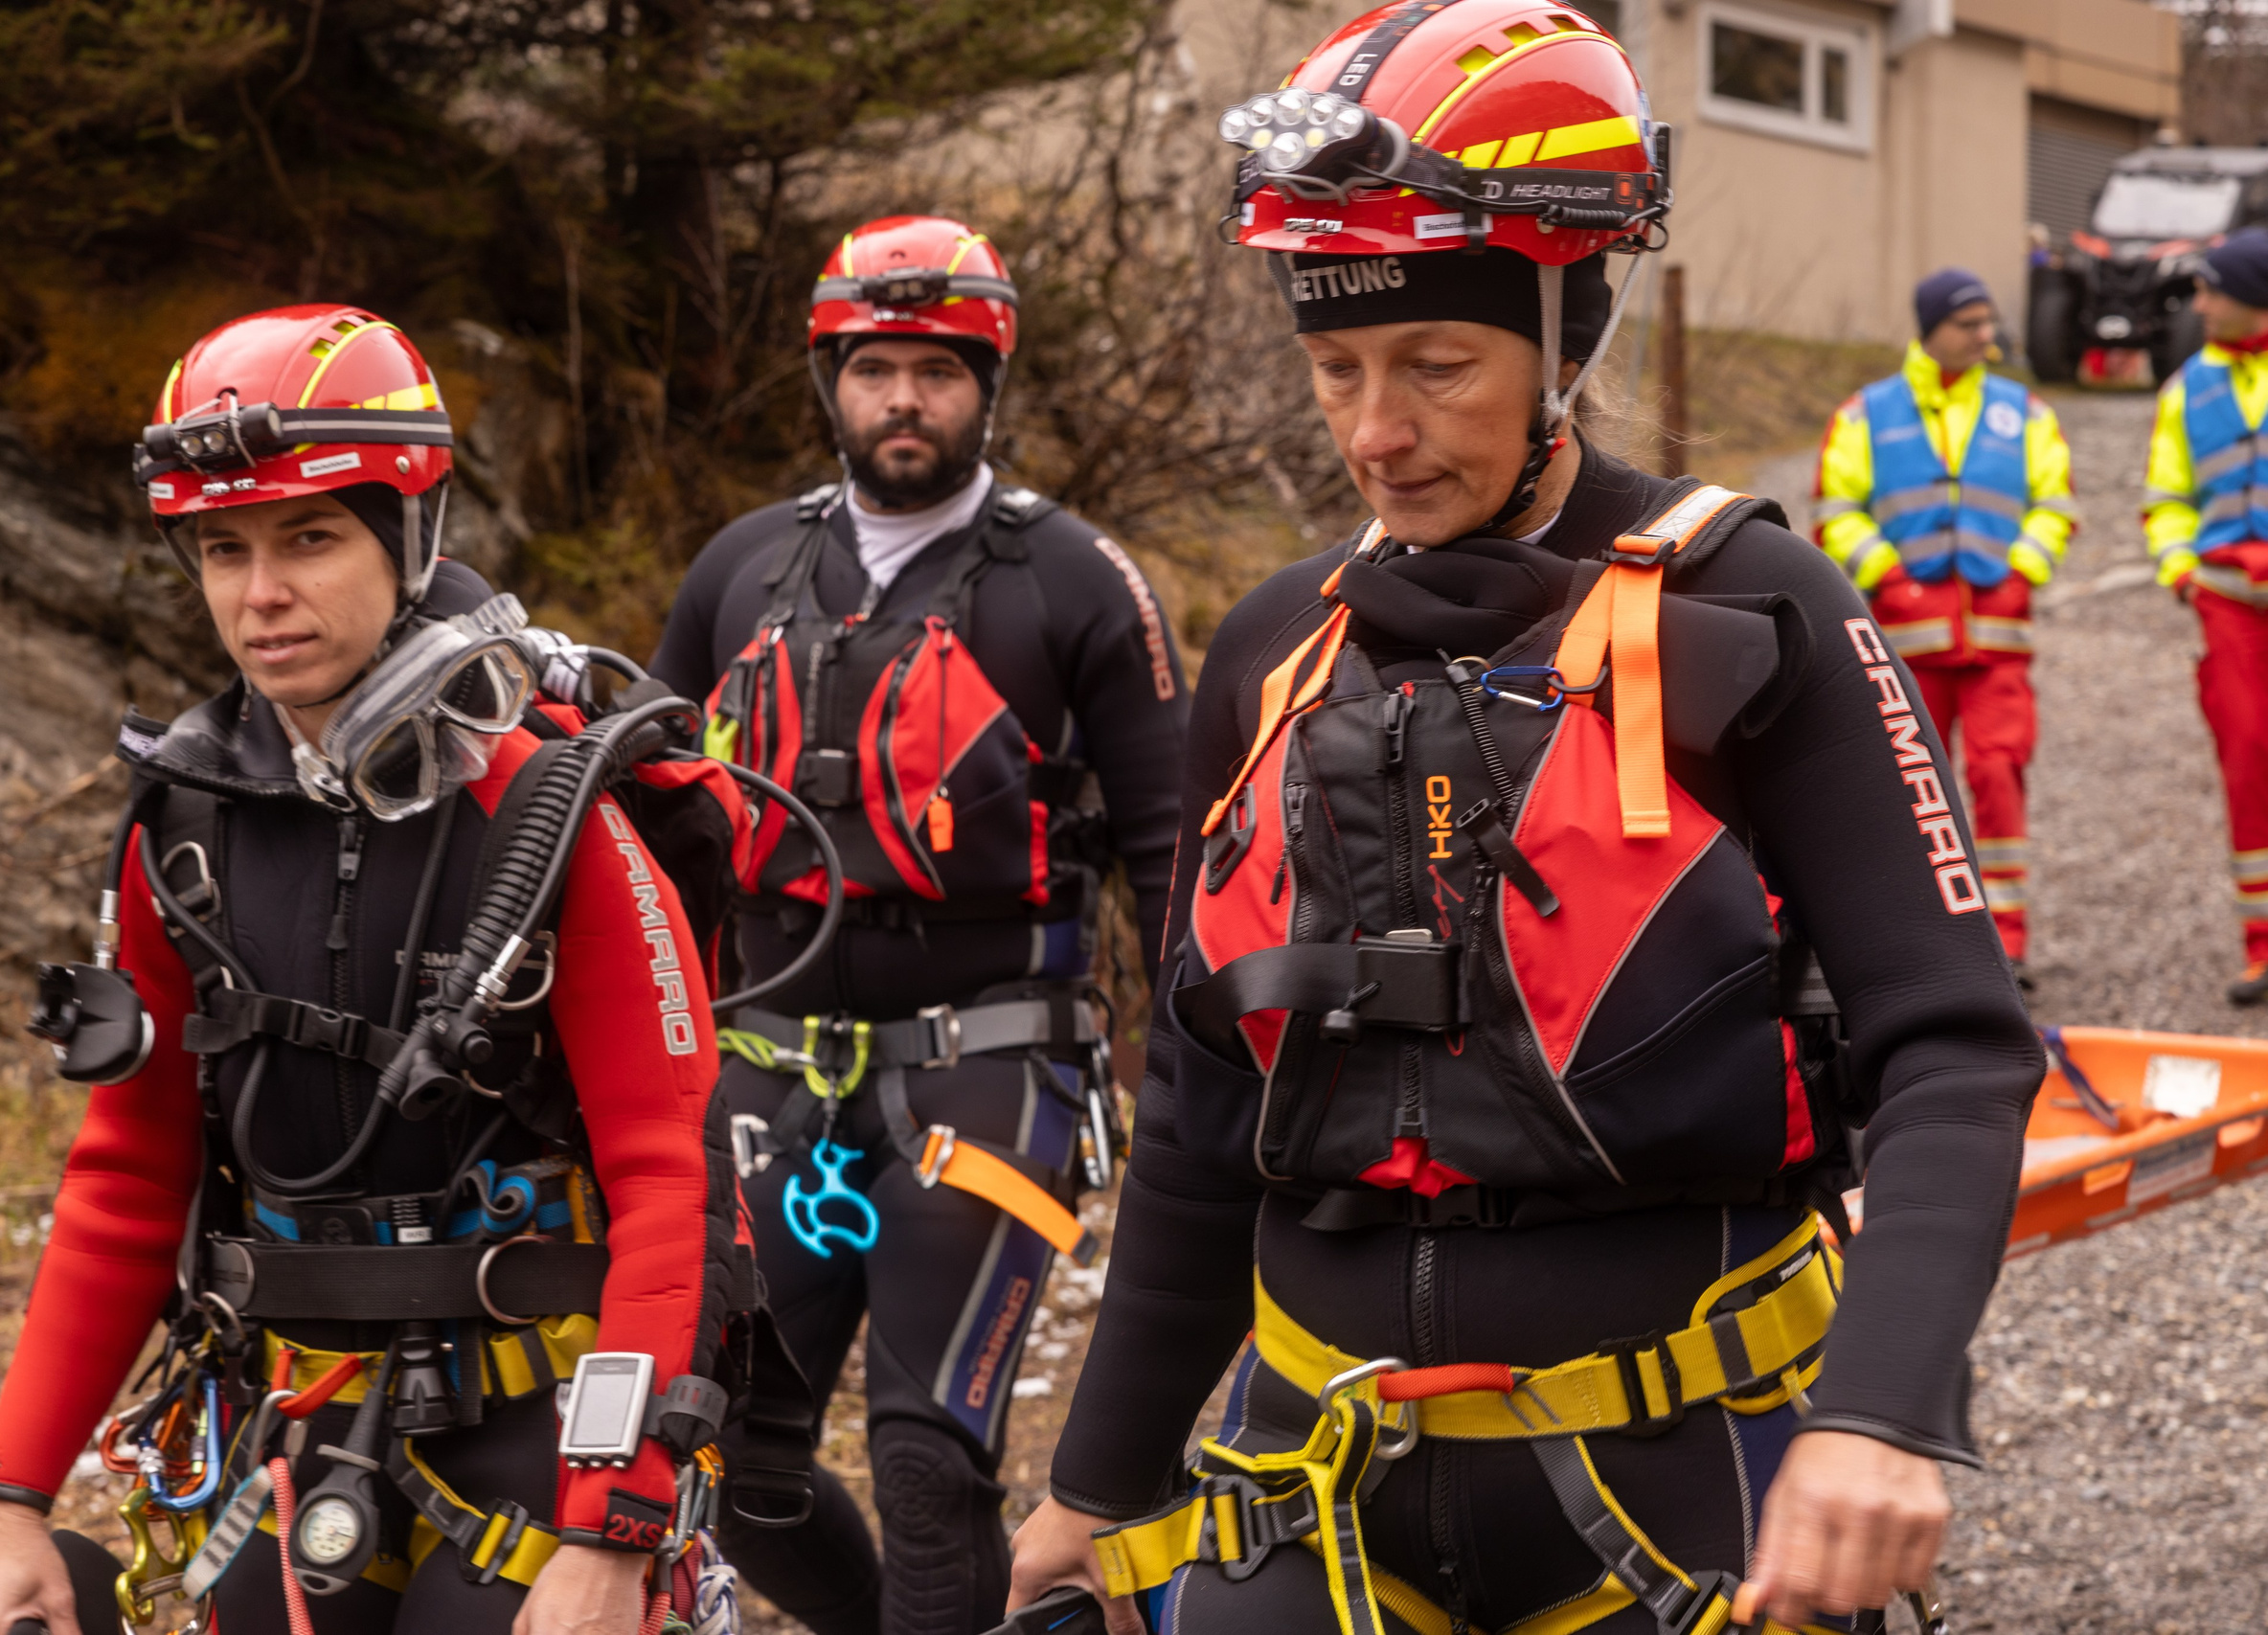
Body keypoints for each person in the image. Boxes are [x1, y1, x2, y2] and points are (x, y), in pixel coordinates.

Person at [1003, 8, 2043, 1634]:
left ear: (1564, 338)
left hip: (1682, 1484)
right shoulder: (1279, 648)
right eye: (1335, 368)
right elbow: (1204, 1113)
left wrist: (1881, 1411)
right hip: (1311, 1483)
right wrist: (1099, 1480)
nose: (1373, 432)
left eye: (1435, 365)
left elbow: (1961, 1045)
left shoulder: (1754, 606)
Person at [0, 305, 759, 1635]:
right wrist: (10, 1493)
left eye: (309, 538)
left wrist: (616, 1516)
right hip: (300, 1410)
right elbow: (127, 1172)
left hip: (538, 1421)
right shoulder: (185, 828)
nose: (260, 595)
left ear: (410, 536)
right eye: (223, 549)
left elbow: (672, 1180)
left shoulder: (553, 814)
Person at [648, 214, 1191, 1634]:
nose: (906, 399)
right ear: (831, 377)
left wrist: (1199, 1088)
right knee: (738, 1457)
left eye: (939, 371)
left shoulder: (1078, 582)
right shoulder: (740, 572)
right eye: (877, 367)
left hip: (996, 1064)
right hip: (774, 1061)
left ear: (987, 384)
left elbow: (1176, 861)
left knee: (924, 1454)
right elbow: (644, 838)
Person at [1812, 268, 2076, 977]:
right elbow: (1836, 510)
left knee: (1997, 774)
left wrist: (2022, 569)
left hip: (1999, 644)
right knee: (1914, 794)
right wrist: (1891, 579)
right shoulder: (1866, 414)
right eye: (1970, 324)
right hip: (1906, 649)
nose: (1986, 337)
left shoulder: (2025, 412)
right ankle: (1929, 949)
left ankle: (2007, 945)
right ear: (1930, 329)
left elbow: (2056, 504)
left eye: (1990, 323)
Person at [2144, 227, 2268, 1005]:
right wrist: (2183, 574)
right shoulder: (2186, 388)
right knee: (2248, 761)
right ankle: (2263, 945)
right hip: (2227, 603)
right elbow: (2164, 500)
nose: (2198, 303)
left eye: (2209, 288)